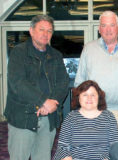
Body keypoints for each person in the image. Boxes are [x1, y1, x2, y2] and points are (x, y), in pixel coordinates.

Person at [4, 15, 69, 160]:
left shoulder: (56, 55)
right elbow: (18, 83)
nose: (45, 34)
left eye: (49, 31)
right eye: (41, 29)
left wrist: (53, 103)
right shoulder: (19, 53)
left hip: (48, 117)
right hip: (22, 118)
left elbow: (63, 82)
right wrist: (43, 101)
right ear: (31, 31)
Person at [74, 11, 118, 128]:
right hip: (94, 111)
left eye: (112, 25)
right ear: (99, 29)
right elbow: (79, 82)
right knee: (95, 146)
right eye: (104, 26)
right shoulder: (88, 49)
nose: (108, 30)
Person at [53, 80, 118, 160]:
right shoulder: (70, 118)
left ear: (99, 97)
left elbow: (115, 146)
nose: (89, 98)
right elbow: (62, 147)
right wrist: (67, 158)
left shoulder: (109, 117)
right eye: (85, 95)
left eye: (93, 95)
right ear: (79, 98)